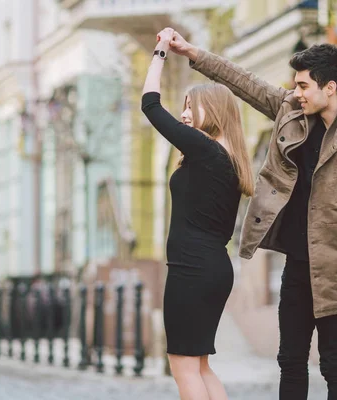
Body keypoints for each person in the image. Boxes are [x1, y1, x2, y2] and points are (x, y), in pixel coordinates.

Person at [166, 30, 337, 400]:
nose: (296, 92)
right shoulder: (292, 112)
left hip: (336, 271)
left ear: (329, 87)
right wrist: (192, 52)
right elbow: (244, 82)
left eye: (303, 85)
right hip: (297, 263)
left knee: (334, 362)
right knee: (290, 359)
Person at [141, 28, 254, 400]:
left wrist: (160, 52)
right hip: (212, 269)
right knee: (200, 365)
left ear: (215, 112)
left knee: (184, 366)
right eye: (185, 107)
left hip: (192, 270)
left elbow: (151, 106)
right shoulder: (229, 160)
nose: (185, 115)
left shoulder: (206, 151)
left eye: (191, 106)